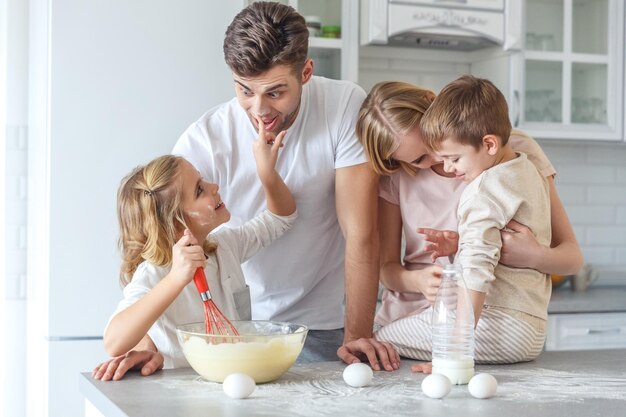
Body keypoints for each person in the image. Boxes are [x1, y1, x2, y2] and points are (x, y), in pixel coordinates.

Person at [95, 1, 397, 378]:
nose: (258, 110)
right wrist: (145, 344)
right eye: (245, 91)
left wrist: (357, 335)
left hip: (324, 327)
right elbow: (157, 240)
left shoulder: (343, 105)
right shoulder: (204, 139)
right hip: (234, 338)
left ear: (306, 72)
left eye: (274, 92)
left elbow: (361, 232)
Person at [353, 79, 583, 368]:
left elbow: (572, 259)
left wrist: (536, 255)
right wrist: (418, 281)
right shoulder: (399, 174)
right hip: (409, 321)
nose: (441, 161)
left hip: (480, 320)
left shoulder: (513, 154)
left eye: (436, 147)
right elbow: (386, 270)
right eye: (420, 159)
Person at [93, 121, 296, 380]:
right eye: (200, 190)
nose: (214, 187)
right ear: (176, 224)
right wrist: (177, 277)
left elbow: (281, 218)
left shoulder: (226, 247)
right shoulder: (156, 273)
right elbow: (114, 341)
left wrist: (267, 173)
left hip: (231, 386)